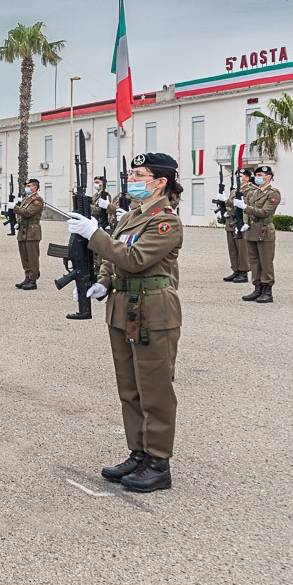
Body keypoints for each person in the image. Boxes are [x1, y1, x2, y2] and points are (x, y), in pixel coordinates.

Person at [66, 152, 184, 493]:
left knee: (154, 389)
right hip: (124, 305)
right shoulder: (132, 215)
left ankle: (158, 462)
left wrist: (94, 234)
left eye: (139, 175)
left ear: (160, 182)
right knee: (130, 387)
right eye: (131, 174)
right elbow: (112, 255)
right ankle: (138, 453)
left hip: (152, 308)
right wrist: (101, 281)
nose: (132, 180)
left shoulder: (165, 220)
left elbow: (133, 258)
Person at [236, 164, 279, 304]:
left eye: (260, 176)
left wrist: (245, 207)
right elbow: (249, 211)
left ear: (269, 177)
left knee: (265, 261)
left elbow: (265, 212)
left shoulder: (273, 193)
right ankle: (257, 287)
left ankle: (267, 290)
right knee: (254, 261)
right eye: (257, 175)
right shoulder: (255, 192)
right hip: (252, 229)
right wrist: (245, 223)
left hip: (264, 229)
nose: (258, 178)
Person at [221, 167, 251, 283]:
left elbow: (244, 206)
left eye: (240, 177)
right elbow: (230, 204)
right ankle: (236, 270)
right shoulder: (234, 191)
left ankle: (243, 271)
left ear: (247, 179)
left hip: (240, 221)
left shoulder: (249, 190)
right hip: (231, 221)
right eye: (237, 176)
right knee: (232, 248)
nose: (238, 178)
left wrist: (245, 222)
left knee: (242, 248)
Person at [13, 178, 44, 289]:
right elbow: (21, 214)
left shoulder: (37, 200)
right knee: (24, 256)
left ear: (35, 187)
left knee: (32, 257)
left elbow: (28, 213)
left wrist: (14, 208)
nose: (27, 187)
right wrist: (17, 222)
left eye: (29, 186)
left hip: (32, 231)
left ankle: (33, 280)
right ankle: (27, 277)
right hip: (23, 230)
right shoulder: (26, 199)